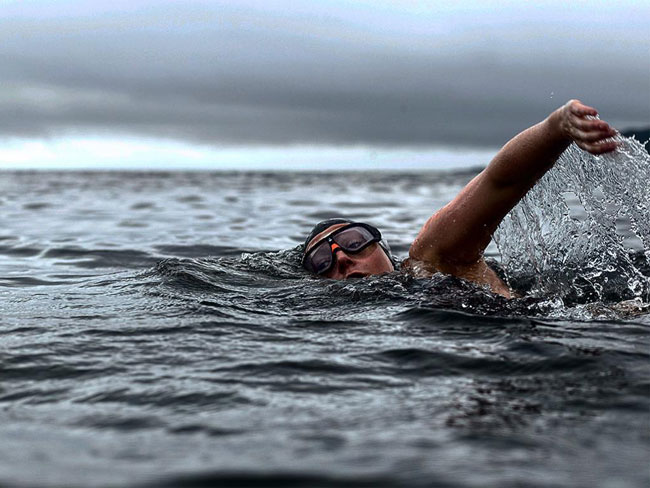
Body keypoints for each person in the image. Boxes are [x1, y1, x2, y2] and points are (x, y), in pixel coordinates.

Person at [301, 100, 619, 298]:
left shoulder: (432, 259)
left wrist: (556, 128)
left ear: (386, 251)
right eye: (321, 261)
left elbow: (499, 182)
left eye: (354, 240)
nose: (341, 258)